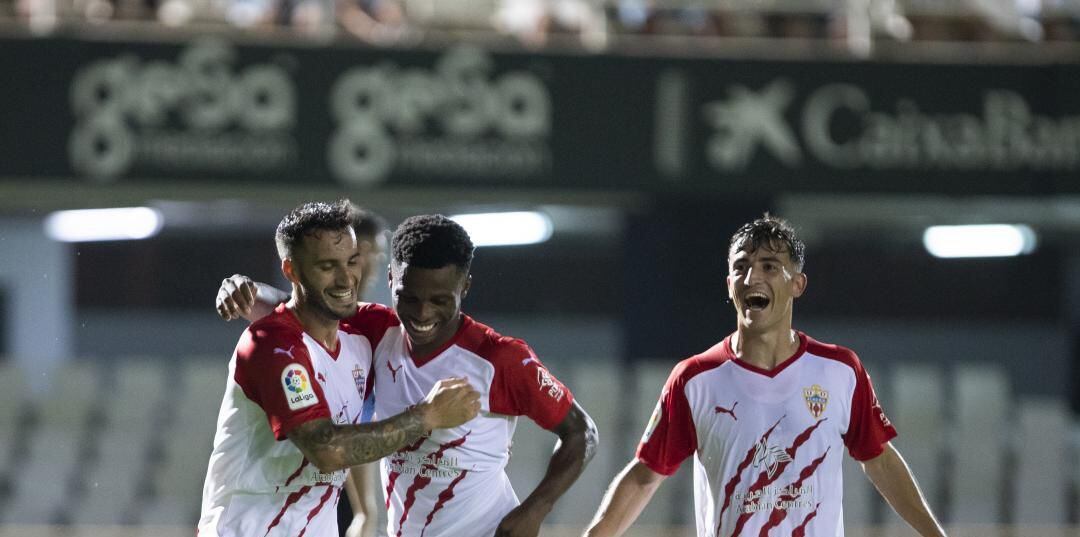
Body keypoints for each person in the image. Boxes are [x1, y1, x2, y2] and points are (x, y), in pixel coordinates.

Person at [215, 213, 599, 537]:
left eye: (440, 301)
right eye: (409, 297)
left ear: (464, 286)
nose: (422, 314)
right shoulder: (378, 331)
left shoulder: (500, 359)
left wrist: (534, 510)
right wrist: (246, 291)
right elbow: (303, 306)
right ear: (391, 280)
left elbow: (582, 432)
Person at [583, 215, 947, 537]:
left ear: (797, 284)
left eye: (770, 266)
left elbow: (879, 460)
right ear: (729, 285)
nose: (752, 276)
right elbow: (646, 475)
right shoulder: (695, 379)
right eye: (741, 267)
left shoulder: (840, 371)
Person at [199, 200, 481, 537]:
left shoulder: (362, 332)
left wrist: (498, 407)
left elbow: (441, 331)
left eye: (352, 261)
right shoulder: (270, 345)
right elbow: (327, 449)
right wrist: (428, 416)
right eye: (327, 266)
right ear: (292, 271)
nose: (347, 277)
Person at [217, 202, 389, 537]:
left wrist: (366, 510)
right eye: (372, 253)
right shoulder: (290, 328)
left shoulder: (364, 336)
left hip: (325, 496)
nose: (373, 265)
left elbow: (360, 421)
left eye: (353, 258)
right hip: (269, 509)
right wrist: (237, 286)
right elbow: (267, 300)